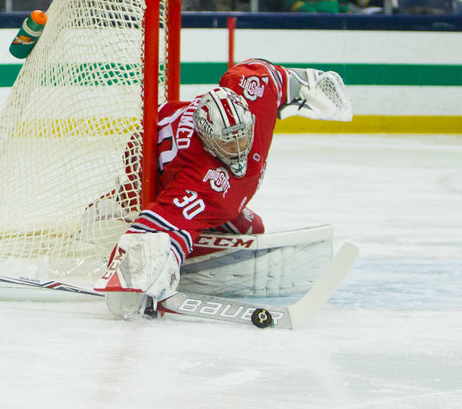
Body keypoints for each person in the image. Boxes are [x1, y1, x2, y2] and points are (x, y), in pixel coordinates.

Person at [93, 59, 353, 317]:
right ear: (207, 140)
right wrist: (142, 275)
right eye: (228, 142)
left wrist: (308, 83)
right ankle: (117, 206)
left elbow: (264, 74)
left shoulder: (253, 102)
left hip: (177, 131)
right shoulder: (199, 181)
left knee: (252, 229)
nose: (239, 148)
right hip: (145, 160)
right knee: (198, 217)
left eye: (243, 135)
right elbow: (156, 229)